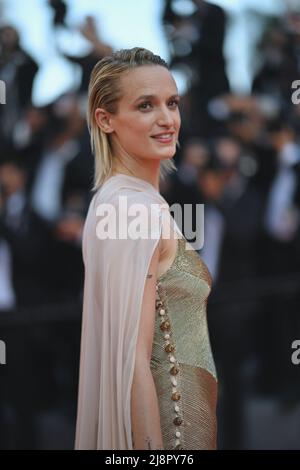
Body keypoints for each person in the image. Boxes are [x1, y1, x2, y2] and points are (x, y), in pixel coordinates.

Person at [75, 47, 218, 450]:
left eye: (172, 103)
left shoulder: (120, 200)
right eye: (145, 105)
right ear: (105, 119)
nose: (166, 119)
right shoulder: (131, 208)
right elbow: (131, 362)